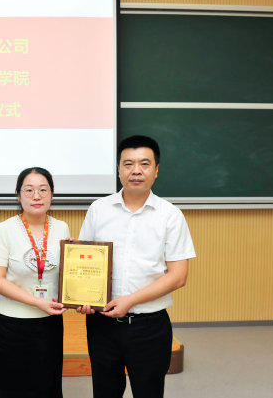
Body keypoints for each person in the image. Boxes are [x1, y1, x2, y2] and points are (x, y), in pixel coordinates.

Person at [77, 135, 196, 398]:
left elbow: (178, 276)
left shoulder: (170, 215)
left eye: (144, 163)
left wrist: (130, 300)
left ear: (156, 170)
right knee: (105, 392)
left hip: (148, 327)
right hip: (102, 324)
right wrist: (82, 297)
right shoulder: (99, 209)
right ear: (119, 170)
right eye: (128, 164)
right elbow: (85, 261)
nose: (136, 171)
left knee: (148, 392)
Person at [0, 167, 70, 398]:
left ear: (51, 195)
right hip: (12, 325)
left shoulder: (62, 228)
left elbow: (65, 274)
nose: (36, 196)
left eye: (43, 190)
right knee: (13, 389)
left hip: (49, 323)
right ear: (18, 195)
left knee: (47, 387)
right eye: (29, 190)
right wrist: (36, 302)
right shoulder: (4, 229)